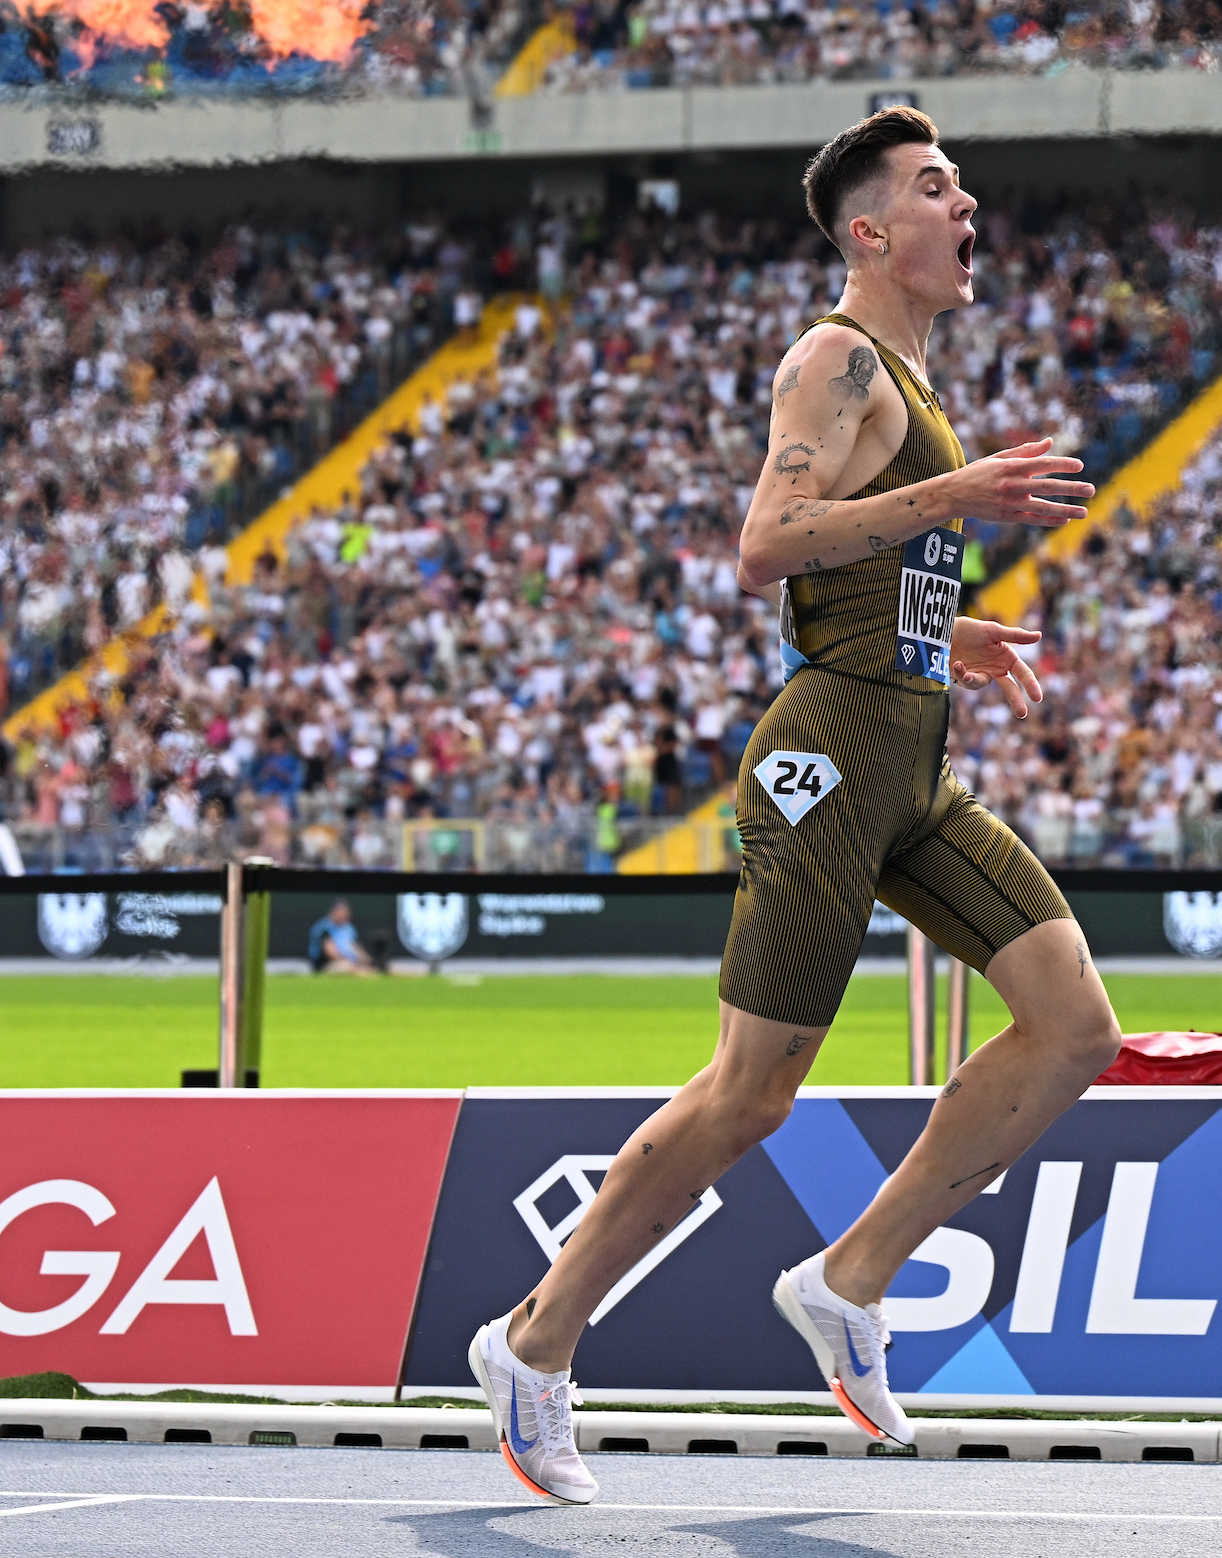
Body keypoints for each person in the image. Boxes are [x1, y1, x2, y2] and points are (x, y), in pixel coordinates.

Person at [464, 106, 1123, 1507]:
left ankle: (849, 1278)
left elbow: (860, 566)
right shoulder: (835, 359)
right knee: (751, 1094)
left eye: (963, 183)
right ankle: (533, 1340)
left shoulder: (910, 379)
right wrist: (958, 494)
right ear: (871, 232)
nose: (968, 206)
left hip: (911, 755)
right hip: (827, 759)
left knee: (1074, 1027)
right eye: (937, 187)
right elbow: (768, 545)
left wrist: (951, 629)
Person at [305, 900, 373, 975]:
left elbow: (356, 947)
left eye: (345, 913)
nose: (342, 915)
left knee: (370, 969)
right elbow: (330, 953)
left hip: (350, 963)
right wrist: (349, 962)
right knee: (346, 966)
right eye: (340, 912)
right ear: (333, 912)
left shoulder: (349, 928)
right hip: (326, 965)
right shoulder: (324, 928)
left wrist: (367, 960)